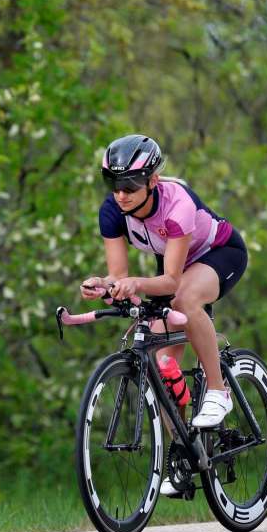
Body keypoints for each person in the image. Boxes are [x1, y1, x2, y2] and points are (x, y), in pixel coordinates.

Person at [80, 134, 249, 497]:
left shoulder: (177, 205)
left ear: (152, 181)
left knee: (186, 299)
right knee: (162, 363)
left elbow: (171, 280)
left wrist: (137, 284)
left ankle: (219, 392)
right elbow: (119, 275)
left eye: (129, 184)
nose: (120, 193)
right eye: (113, 183)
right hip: (173, 262)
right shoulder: (112, 211)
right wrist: (104, 284)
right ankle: (185, 453)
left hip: (218, 253)